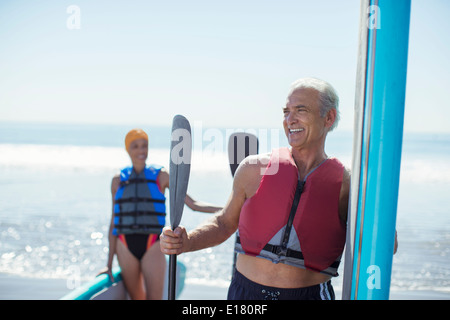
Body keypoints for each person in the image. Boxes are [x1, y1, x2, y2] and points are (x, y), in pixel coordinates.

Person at [160, 78, 398, 300]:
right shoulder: (254, 168)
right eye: (286, 112)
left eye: (300, 110)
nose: (290, 119)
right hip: (245, 293)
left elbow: (385, 245)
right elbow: (224, 224)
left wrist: (377, 203)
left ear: (329, 117)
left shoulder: (348, 184)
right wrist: (187, 242)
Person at [99, 128, 221, 300]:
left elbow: (192, 204)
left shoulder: (161, 176)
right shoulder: (117, 180)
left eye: (144, 146)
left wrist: (228, 209)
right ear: (128, 150)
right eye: (135, 146)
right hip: (124, 244)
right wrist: (108, 265)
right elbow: (114, 223)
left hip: (152, 243)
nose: (141, 151)